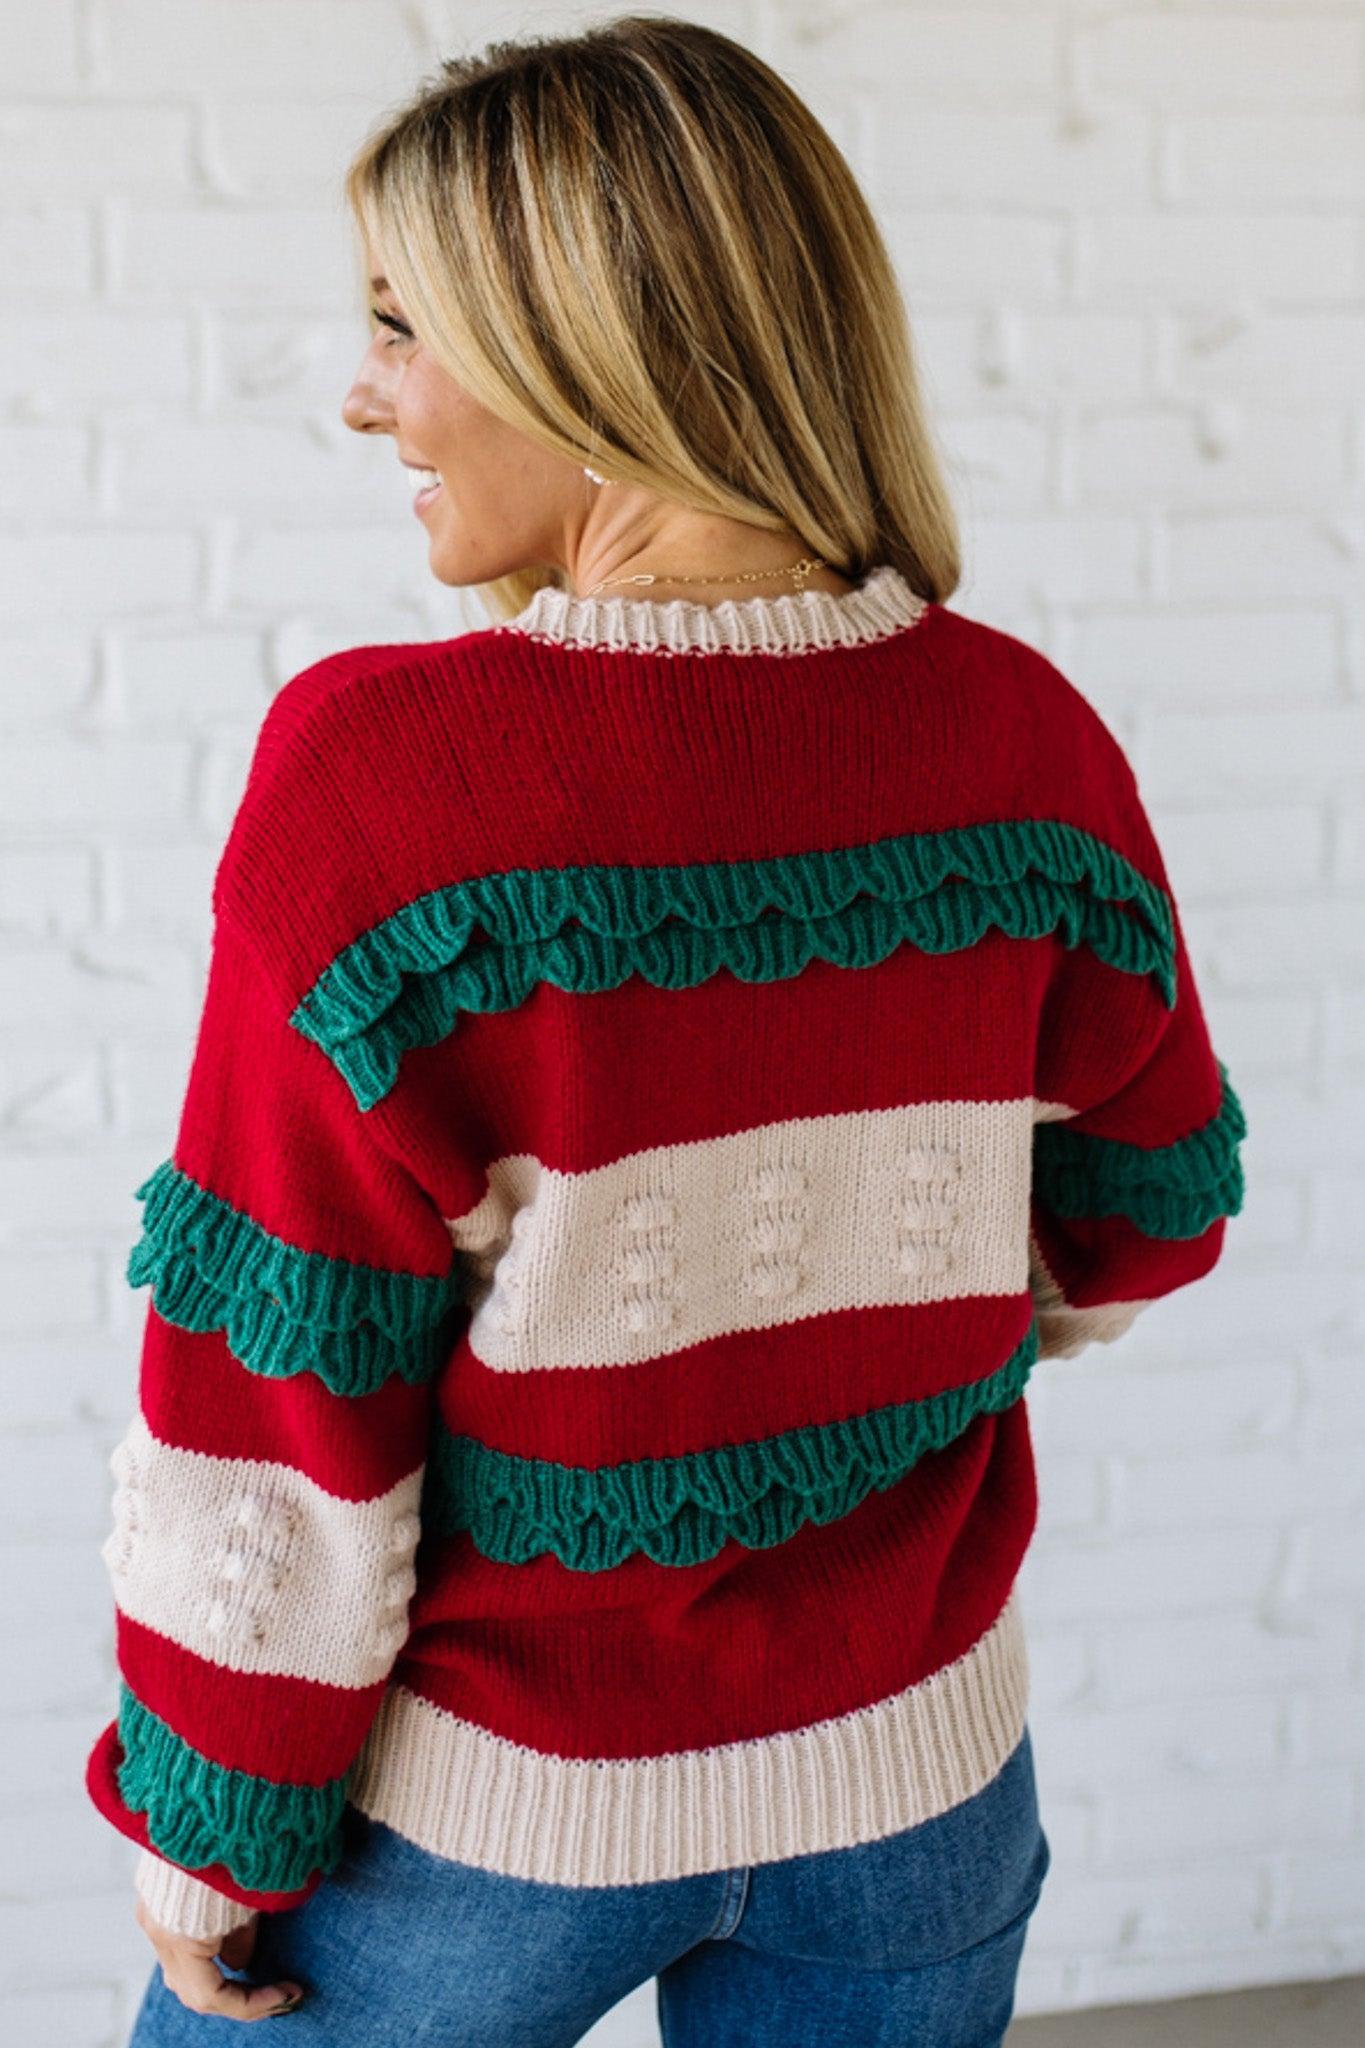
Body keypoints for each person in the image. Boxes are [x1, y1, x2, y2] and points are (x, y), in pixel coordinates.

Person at [85, 14, 1247, 2044]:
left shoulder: (391, 787)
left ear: (587, 357)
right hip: (919, 1791)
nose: (365, 400)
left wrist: (207, 1828)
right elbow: (1143, 1207)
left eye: (399, 324)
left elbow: (282, 1389)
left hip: (482, 1831)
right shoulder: (1018, 742)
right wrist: (860, 1321)